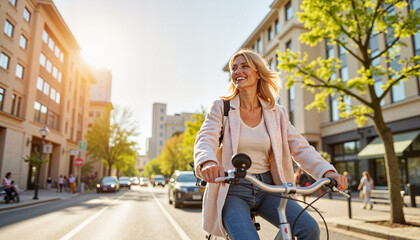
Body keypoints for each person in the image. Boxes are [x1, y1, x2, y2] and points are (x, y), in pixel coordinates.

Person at [194, 49, 348, 240]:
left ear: (258, 73)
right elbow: (206, 137)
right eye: (234, 68)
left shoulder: (277, 113)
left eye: (244, 66)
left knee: (309, 228)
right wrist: (207, 162)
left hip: (269, 187)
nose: (237, 71)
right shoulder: (222, 107)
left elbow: (300, 147)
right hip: (233, 188)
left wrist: (327, 172)